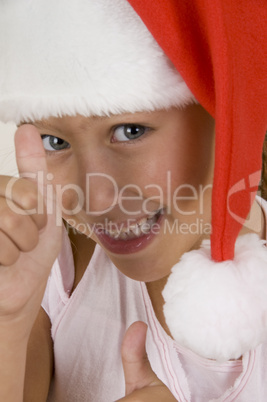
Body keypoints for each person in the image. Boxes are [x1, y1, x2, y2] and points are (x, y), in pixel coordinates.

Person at [0, 0, 266, 401]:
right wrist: (9, 325)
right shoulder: (51, 266)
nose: (96, 198)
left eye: (130, 131)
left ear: (227, 112)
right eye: (54, 142)